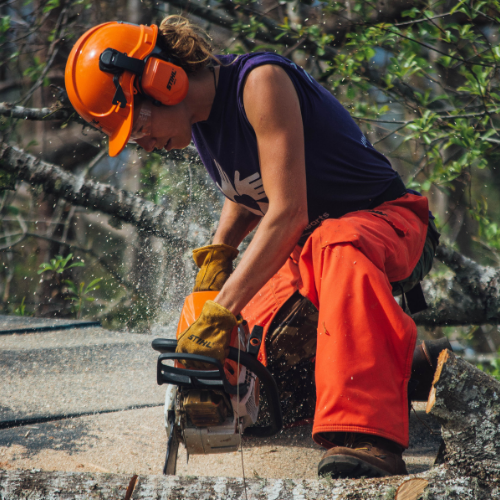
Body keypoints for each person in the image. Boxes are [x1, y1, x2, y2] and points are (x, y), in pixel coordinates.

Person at [65, 15, 438, 479]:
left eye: (137, 122)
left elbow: (286, 213)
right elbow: (247, 186)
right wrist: (220, 252)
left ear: (166, 79)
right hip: (310, 245)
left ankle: (368, 438)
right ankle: (412, 367)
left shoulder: (262, 83)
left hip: (384, 221)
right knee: (254, 361)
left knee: (334, 246)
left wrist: (220, 309)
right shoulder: (201, 118)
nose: (141, 141)